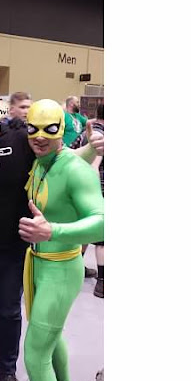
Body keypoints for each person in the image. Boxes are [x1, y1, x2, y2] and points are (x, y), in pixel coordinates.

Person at [0, 76, 103, 381]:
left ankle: (7, 371)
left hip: (13, 247)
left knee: (10, 313)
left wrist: (92, 149)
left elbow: (59, 160)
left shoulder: (21, 138)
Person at [18, 99, 104, 381]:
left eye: (50, 129)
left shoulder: (77, 171)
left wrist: (53, 230)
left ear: (62, 129)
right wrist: (90, 149)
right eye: (33, 129)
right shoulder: (43, 161)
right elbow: (62, 160)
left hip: (61, 268)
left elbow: (103, 222)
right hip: (38, 264)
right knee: (50, 338)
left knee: (35, 355)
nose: (39, 136)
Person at [90, 104, 104, 298]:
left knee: (86, 233)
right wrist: (95, 194)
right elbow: (94, 165)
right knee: (102, 239)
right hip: (97, 189)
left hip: (84, 188)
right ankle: (102, 282)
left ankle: (79, 266)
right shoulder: (100, 135)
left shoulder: (91, 131)